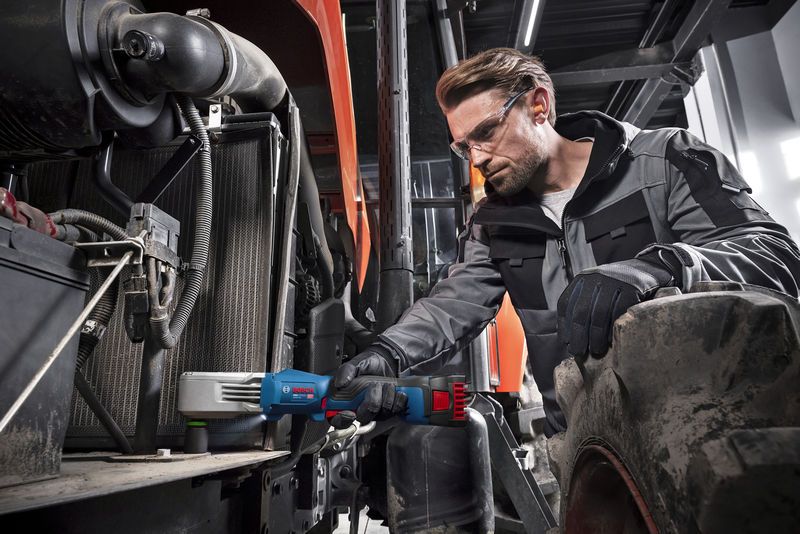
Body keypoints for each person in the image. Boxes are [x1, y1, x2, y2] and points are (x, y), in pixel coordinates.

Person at [331, 47, 800, 437]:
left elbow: (771, 254)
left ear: (538, 105)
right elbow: (453, 304)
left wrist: (657, 268)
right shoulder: (494, 221)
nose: (476, 158)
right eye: (463, 146)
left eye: (487, 133)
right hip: (586, 443)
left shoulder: (665, 160)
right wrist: (387, 353)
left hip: (712, 424)